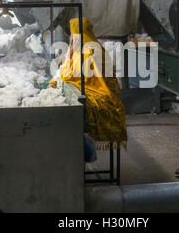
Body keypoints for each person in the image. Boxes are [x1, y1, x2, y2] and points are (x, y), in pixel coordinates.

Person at [48, 18, 127, 155]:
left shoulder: (88, 51)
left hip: (101, 94)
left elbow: (70, 75)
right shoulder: (84, 48)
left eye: (73, 34)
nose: (71, 38)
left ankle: (74, 158)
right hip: (97, 90)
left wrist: (56, 81)